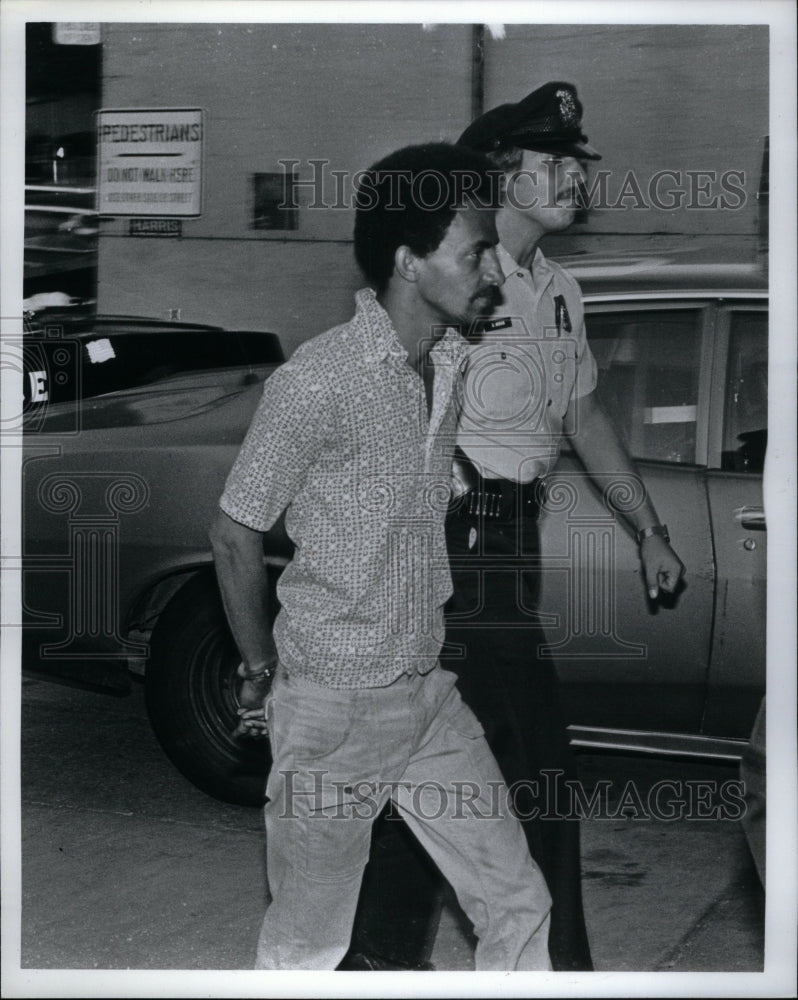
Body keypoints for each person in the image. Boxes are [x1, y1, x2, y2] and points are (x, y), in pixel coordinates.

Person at [344, 82, 686, 973]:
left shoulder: (558, 289)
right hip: (455, 544)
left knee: (438, 765)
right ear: (501, 174)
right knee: (538, 770)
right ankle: (560, 972)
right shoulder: (456, 279)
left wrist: (648, 527)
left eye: (578, 160)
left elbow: (584, 416)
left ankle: (373, 960)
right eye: (556, 161)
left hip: (510, 545)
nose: (576, 175)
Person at [209, 142, 555, 971]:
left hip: (427, 695)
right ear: (409, 262)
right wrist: (260, 669)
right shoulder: (318, 381)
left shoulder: (448, 361)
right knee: (307, 950)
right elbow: (235, 529)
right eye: (475, 254)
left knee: (518, 903)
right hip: (334, 710)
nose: (493, 273)